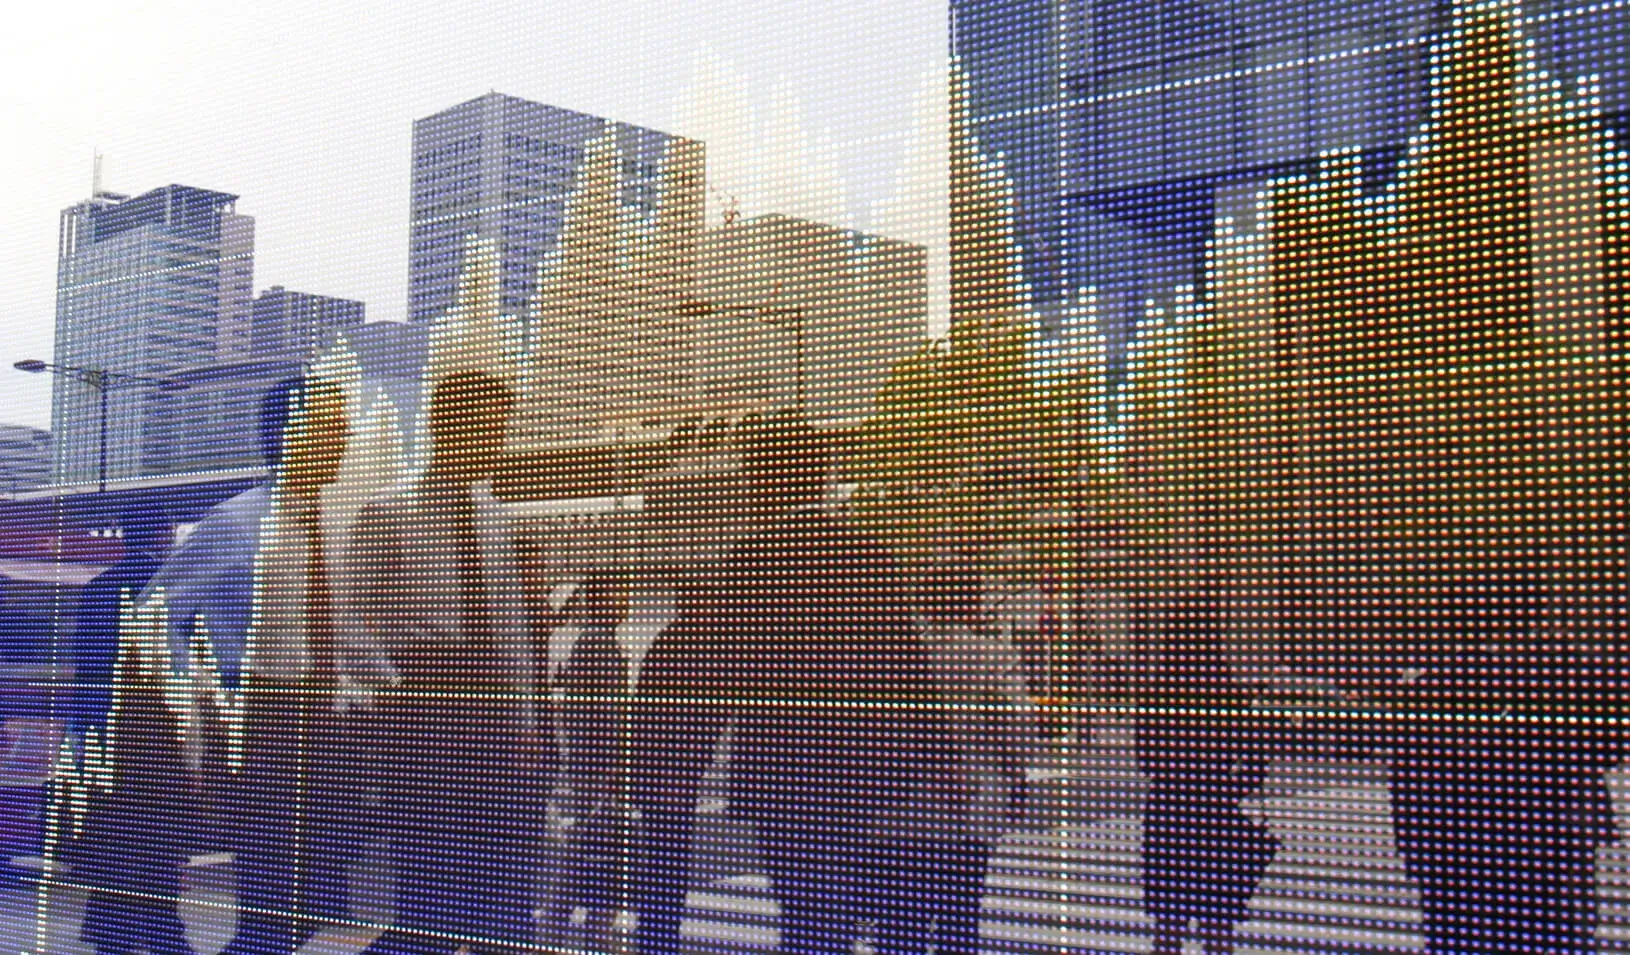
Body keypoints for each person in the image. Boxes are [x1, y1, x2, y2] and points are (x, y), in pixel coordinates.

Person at [673, 414, 940, 955]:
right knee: (840, 907)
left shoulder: (750, 561)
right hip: (860, 768)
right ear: (820, 474)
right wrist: (937, 756)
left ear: (760, 479)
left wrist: (685, 766)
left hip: (781, 770)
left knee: (801, 911)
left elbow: (724, 674)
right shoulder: (867, 556)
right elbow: (912, 669)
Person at [356, 371, 547, 955]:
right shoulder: (388, 514)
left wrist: (527, 721)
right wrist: (394, 707)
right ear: (444, 424)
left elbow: (513, 635)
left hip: (493, 726)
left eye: (500, 431)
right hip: (425, 721)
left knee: (509, 903)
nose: (494, 446)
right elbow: (353, 627)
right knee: (429, 905)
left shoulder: (497, 521)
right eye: (485, 429)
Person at [1391, 623, 1622, 954]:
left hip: (1455, 855)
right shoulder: (1544, 680)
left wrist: (1415, 849)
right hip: (1543, 852)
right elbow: (1606, 750)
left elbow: (1407, 779)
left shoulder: (1432, 686)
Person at [874, 557, 1040, 955]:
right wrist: (1016, 779)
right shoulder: (991, 655)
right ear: (970, 602)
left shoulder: (896, 659)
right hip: (969, 805)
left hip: (898, 810)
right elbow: (1018, 728)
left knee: (899, 925)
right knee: (959, 920)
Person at [67, 505, 194, 955]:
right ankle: (162, 929)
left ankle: (110, 930)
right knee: (161, 839)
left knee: (114, 835)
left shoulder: (98, 588)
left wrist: (81, 734)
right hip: (158, 732)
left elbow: (88, 671)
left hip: (107, 731)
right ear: (161, 530)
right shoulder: (171, 583)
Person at [1136, 594, 1279, 955]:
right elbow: (1255, 763)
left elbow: (1146, 760)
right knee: (1218, 928)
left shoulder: (1157, 697)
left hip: (1169, 816)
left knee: (1168, 926)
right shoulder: (1229, 696)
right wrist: (1228, 788)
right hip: (1216, 818)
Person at [551, 571, 632, 949]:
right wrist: (614, 767)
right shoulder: (601, 646)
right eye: (619, 592)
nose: (626, 599)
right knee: (604, 869)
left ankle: (556, 931)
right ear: (601, 599)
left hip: (588, 769)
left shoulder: (592, 643)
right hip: (599, 772)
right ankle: (596, 941)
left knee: (585, 856)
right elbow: (603, 715)